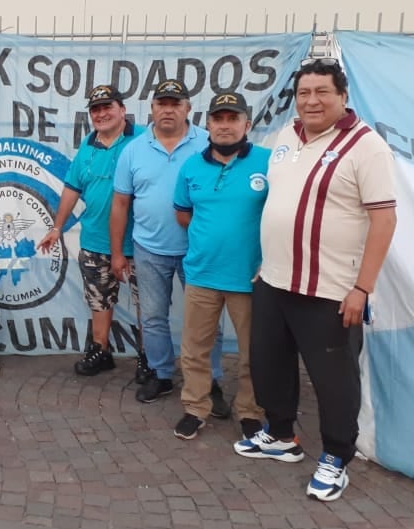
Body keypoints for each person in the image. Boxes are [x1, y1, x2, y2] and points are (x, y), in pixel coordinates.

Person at [234, 58, 396, 503]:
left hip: (330, 291)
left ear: (343, 96)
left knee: (333, 380)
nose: (311, 101)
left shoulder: (367, 147)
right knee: (269, 365)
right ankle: (282, 435)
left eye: (322, 91)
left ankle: (337, 457)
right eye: (304, 92)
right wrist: (267, 263)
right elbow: (280, 205)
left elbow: (384, 220)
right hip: (274, 281)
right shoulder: (288, 136)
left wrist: (362, 288)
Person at [110, 79, 227, 411]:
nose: (168, 109)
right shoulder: (133, 149)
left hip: (199, 249)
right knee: (152, 318)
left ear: (188, 108)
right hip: (148, 248)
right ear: (152, 108)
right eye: (162, 103)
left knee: (206, 320)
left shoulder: (208, 142)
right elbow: (120, 204)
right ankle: (161, 374)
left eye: (175, 103)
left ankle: (210, 380)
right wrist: (118, 253)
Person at [171, 92, 269, 441]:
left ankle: (250, 411)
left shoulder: (268, 162)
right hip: (202, 273)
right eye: (218, 119)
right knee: (194, 349)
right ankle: (195, 407)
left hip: (252, 277)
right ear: (207, 124)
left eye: (233, 118)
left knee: (251, 353)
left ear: (247, 124)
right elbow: (183, 212)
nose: (225, 126)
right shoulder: (191, 167)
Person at [37, 84, 144, 376]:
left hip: (140, 243)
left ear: (122, 109)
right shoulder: (87, 145)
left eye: (108, 106)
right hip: (95, 240)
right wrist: (57, 227)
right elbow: (72, 188)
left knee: (147, 306)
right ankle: (101, 351)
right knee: (99, 301)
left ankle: (150, 360)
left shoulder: (145, 139)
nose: (101, 113)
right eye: (95, 109)